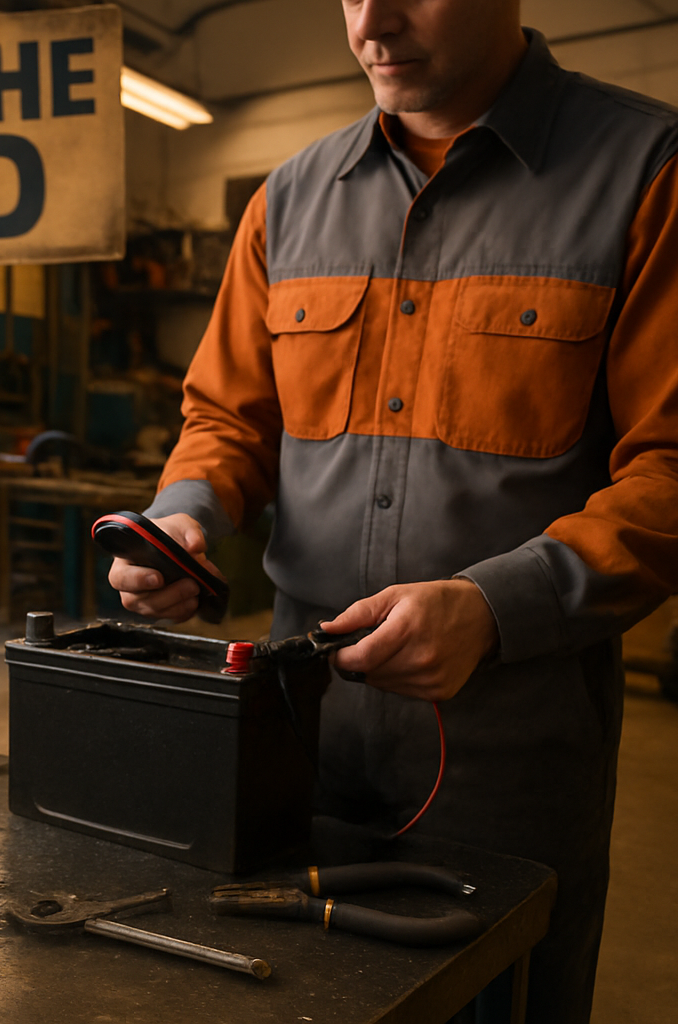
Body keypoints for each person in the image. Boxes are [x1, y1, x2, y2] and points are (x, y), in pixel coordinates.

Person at [108, 1, 678, 1021]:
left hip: (508, 765)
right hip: (296, 737)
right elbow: (228, 419)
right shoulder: (290, 198)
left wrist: (496, 606)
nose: (372, 20)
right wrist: (188, 514)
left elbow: (670, 469)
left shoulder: (645, 172)